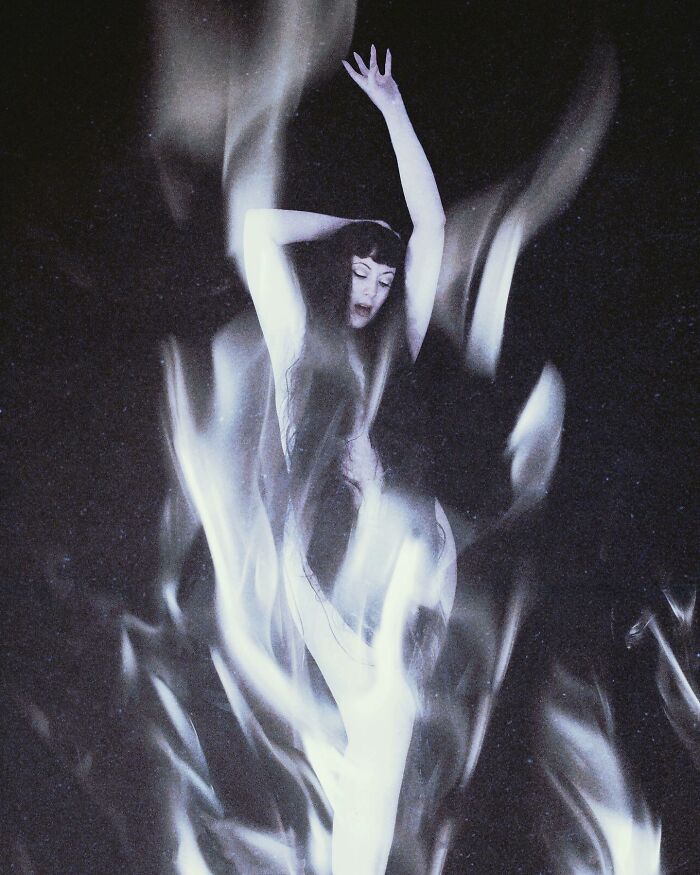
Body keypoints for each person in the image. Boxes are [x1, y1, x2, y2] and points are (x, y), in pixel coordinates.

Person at [242, 45, 456, 874]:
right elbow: (258, 231)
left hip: (394, 563)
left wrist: (394, 109)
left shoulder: (397, 343)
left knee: (384, 738)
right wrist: (349, 231)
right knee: (371, 732)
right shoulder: (299, 341)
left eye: (381, 278)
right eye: (360, 275)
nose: (368, 291)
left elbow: (430, 230)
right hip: (322, 571)